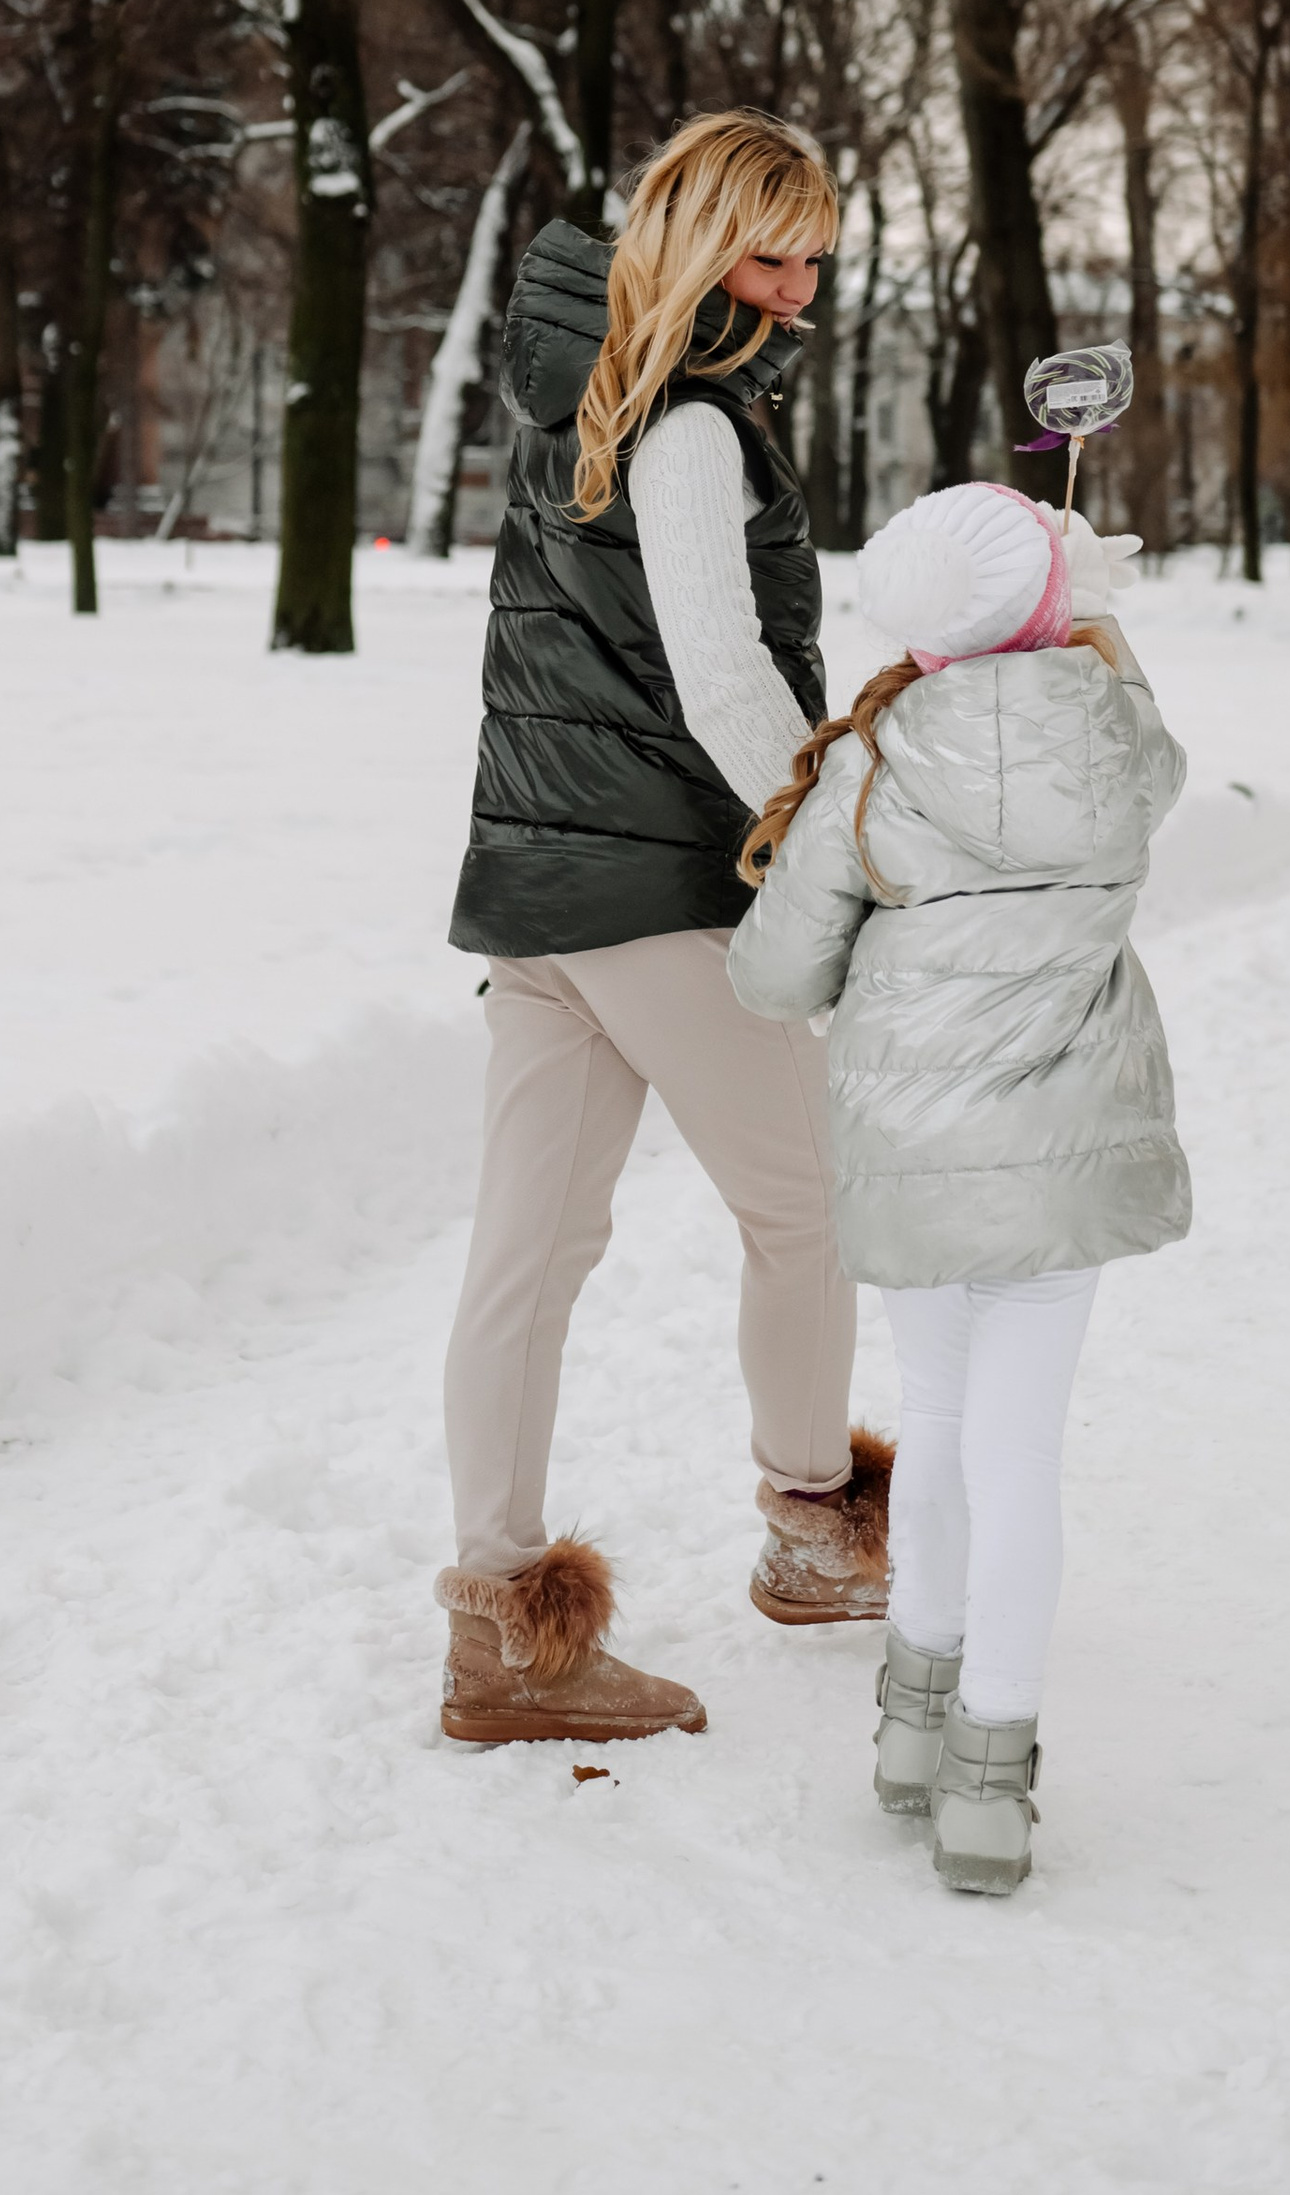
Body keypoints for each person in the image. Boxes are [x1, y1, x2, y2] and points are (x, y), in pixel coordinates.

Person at [435, 112, 893, 1749]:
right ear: (701, 247)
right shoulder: (690, 426)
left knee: (528, 1257)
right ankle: (815, 1529)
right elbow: (720, 675)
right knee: (812, 1208)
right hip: (652, 896)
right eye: (774, 256)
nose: (802, 291)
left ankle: (501, 1630)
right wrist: (838, 835)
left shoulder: (580, 391)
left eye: (819, 256)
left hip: (540, 894)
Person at [728, 479, 1188, 1893]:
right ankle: (992, 1786)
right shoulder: (1117, 740)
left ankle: (913, 1739)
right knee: (1019, 1449)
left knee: (935, 1424)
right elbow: (1149, 739)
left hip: (914, 1156)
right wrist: (1090, 614)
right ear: (1060, 608)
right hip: (1061, 1148)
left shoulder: (873, 761)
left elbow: (772, 972)